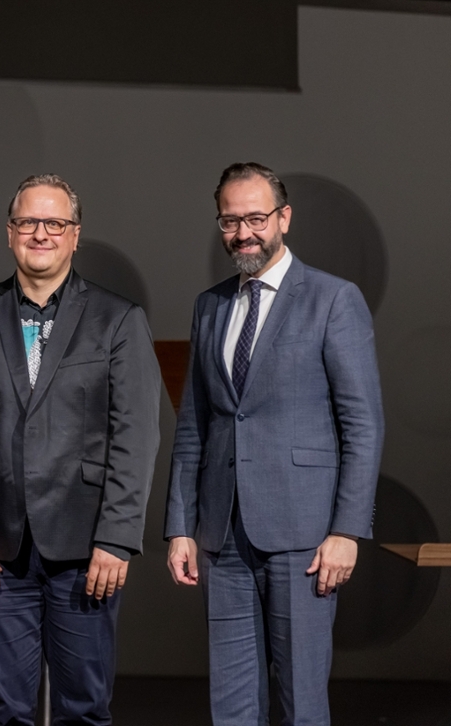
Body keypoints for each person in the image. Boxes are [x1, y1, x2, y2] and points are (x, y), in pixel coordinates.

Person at [0, 174, 161, 725]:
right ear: (9, 233)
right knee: (1, 710)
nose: (40, 233)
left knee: (84, 709)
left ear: (75, 235)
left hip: (87, 551)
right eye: (28, 222)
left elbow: (136, 436)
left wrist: (117, 537)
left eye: (54, 223)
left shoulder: (118, 319)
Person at [165, 162, 383, 725]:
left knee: (301, 703)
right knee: (232, 706)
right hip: (223, 534)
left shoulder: (334, 299)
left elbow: (363, 424)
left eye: (256, 218)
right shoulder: (210, 305)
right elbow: (195, 423)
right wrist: (180, 526)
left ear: (284, 217)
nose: (244, 233)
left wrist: (347, 531)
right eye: (230, 220)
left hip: (305, 537)